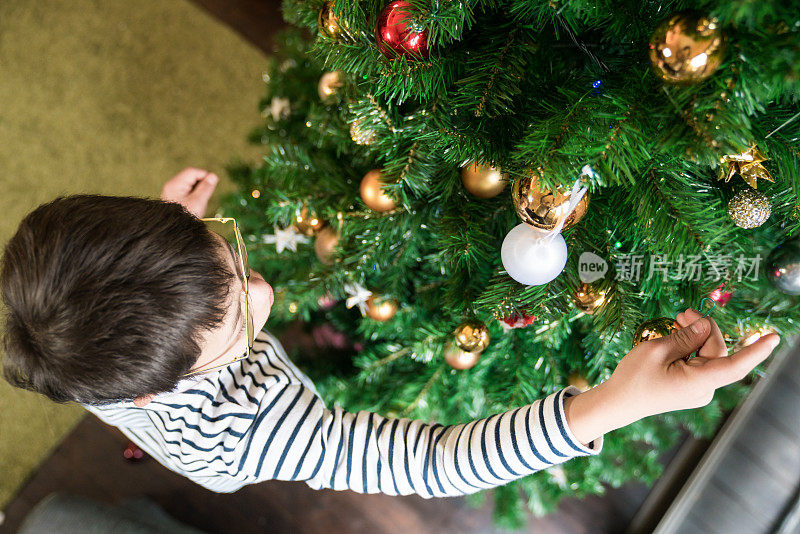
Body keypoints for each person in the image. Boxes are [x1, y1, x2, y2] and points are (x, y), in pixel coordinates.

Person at [1, 167, 782, 498]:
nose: (264, 285)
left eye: (223, 253)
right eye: (242, 320)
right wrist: (615, 403)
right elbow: (430, 465)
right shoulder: (245, 433)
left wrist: (168, 229)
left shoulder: (69, 327)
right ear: (159, 384)